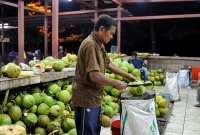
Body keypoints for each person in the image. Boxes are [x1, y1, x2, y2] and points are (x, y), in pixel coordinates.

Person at [72, 14, 137, 135]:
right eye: (111, 33)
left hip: (95, 97)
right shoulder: (91, 44)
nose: (112, 37)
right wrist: (116, 83)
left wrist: (128, 76)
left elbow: (108, 63)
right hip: (86, 98)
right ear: (102, 29)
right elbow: (94, 76)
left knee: (95, 130)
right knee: (87, 132)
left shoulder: (99, 44)